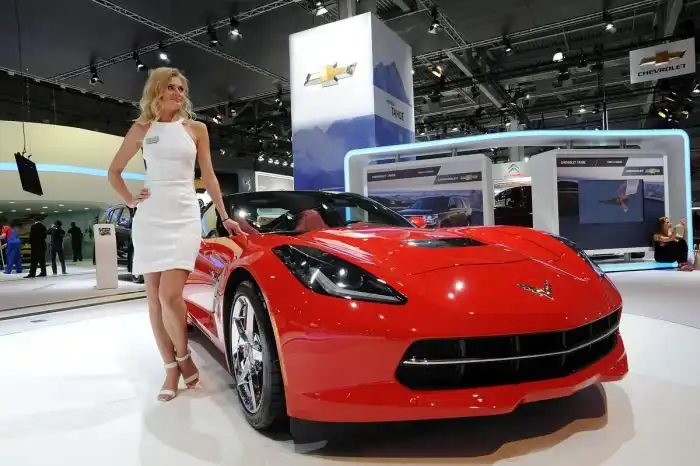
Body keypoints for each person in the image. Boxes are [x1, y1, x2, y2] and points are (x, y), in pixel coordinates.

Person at [107, 67, 246, 402]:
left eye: (182, 88)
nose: (178, 93)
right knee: (154, 300)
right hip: (150, 218)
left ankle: (183, 357)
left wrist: (225, 216)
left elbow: (209, 176)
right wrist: (131, 201)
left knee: (170, 296)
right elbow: (114, 171)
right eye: (171, 87)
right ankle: (170, 369)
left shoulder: (196, 129)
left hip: (184, 216)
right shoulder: (142, 129)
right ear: (157, 90)